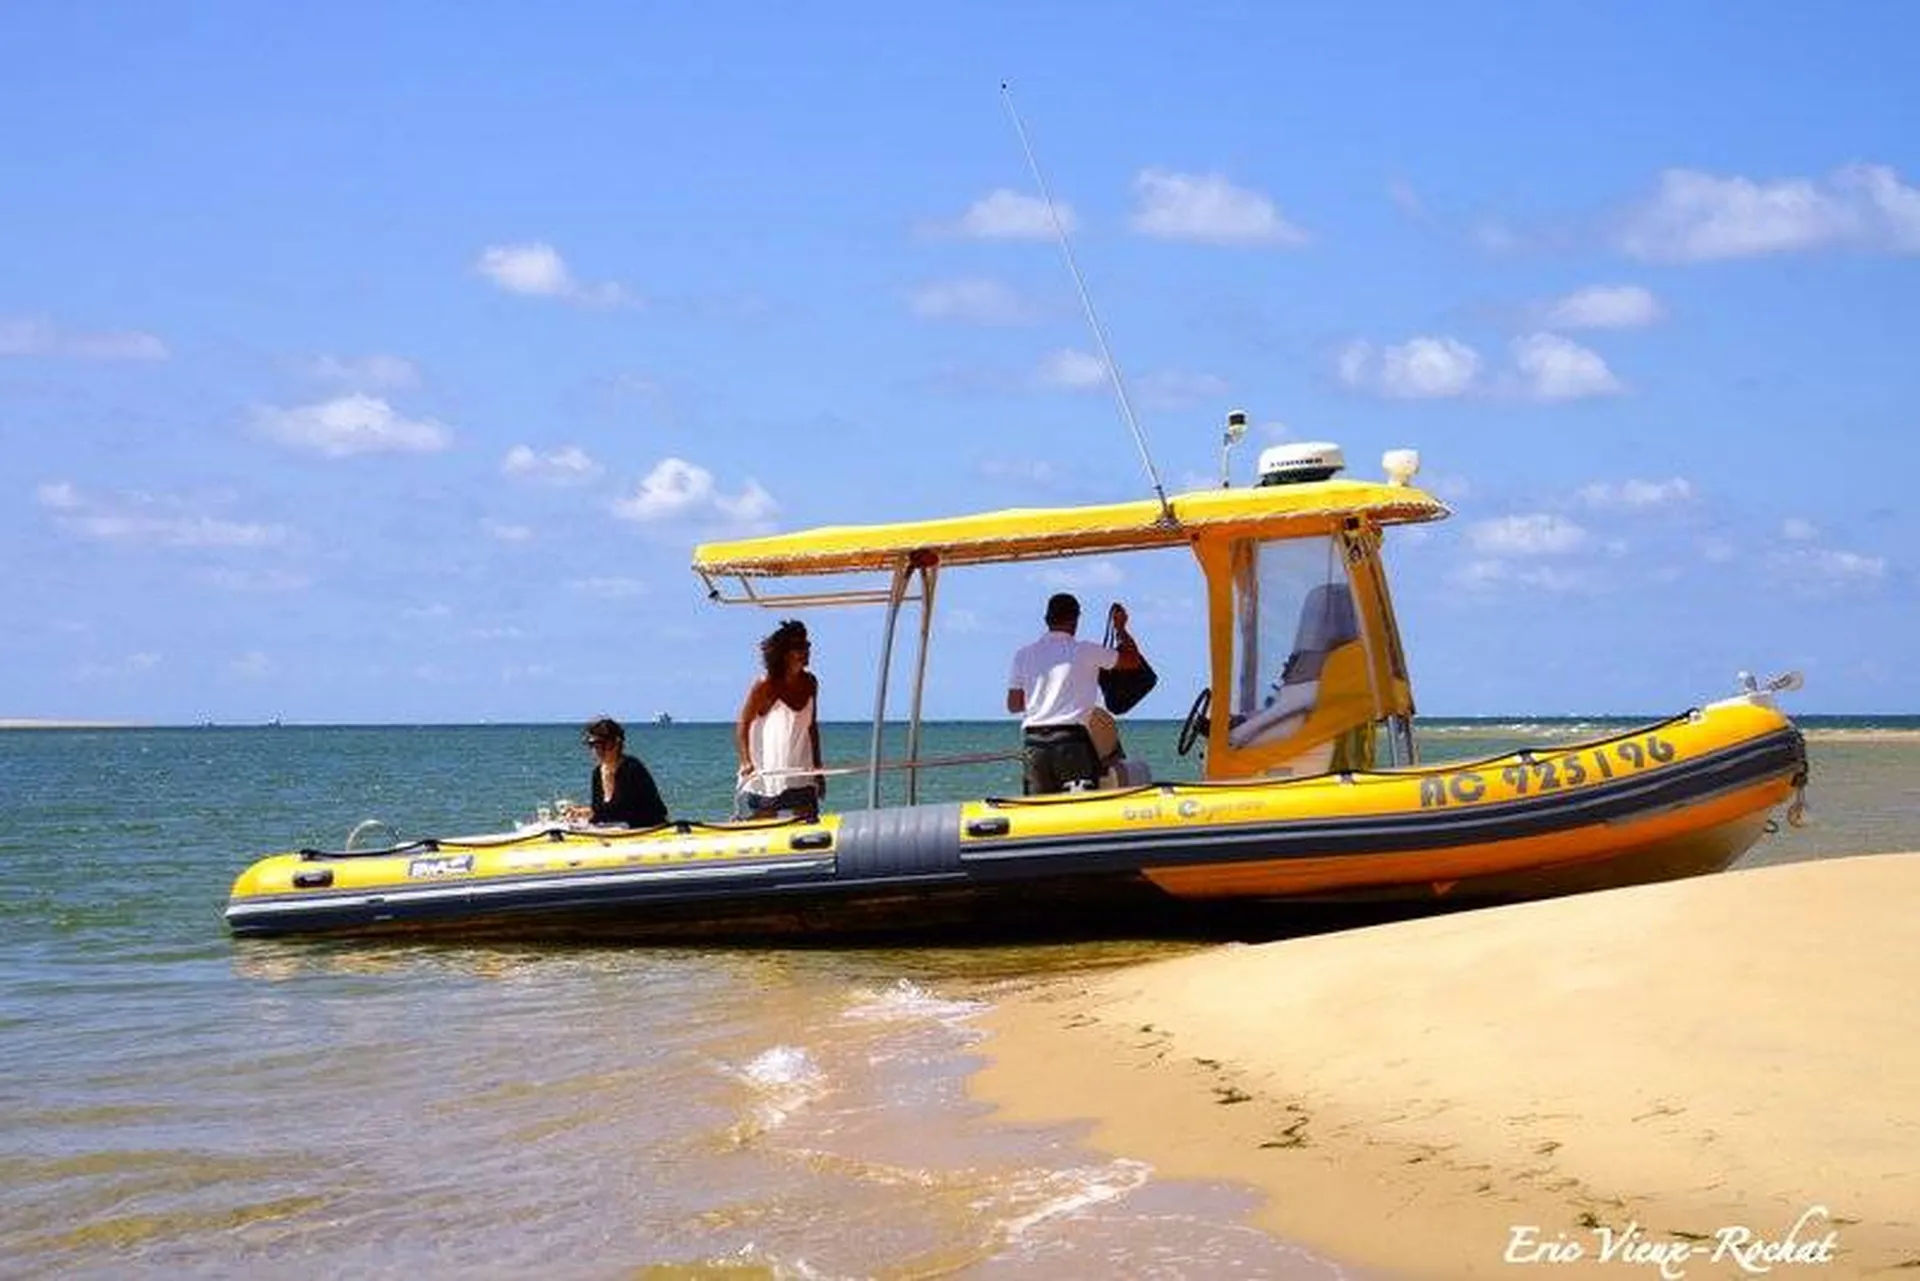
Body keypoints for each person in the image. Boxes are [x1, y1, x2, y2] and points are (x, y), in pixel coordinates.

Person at [1006, 593, 1147, 794]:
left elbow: (1014, 705)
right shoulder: (1086, 651)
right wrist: (1121, 629)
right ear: (1075, 619)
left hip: (1034, 744)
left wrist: (1044, 696)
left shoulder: (1023, 655)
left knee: (1039, 813)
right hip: (1071, 743)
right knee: (1081, 811)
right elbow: (1132, 661)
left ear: (1047, 620)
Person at [734, 619, 824, 820]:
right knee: (764, 828)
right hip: (768, 774)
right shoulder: (766, 684)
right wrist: (746, 761)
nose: (806, 651)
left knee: (809, 826)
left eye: (807, 645)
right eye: (799, 647)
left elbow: (812, 728)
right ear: (784, 653)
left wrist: (818, 769)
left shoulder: (810, 682)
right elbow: (743, 724)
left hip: (802, 771)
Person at [574, 716, 668, 828]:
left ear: (617, 743)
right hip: (616, 834)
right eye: (593, 745)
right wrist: (583, 814)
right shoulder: (597, 774)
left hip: (646, 833)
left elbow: (648, 812)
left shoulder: (632, 769)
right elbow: (603, 812)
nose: (598, 751)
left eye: (602, 745)